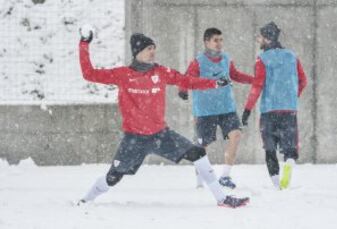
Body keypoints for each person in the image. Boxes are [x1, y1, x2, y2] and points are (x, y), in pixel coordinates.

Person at [77, 27, 249, 208]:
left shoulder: (161, 72)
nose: (153, 52)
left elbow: (187, 81)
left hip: (161, 135)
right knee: (113, 177)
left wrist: (214, 83)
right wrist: (84, 43)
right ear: (137, 52)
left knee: (198, 153)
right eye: (148, 49)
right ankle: (85, 200)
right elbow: (89, 74)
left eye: (153, 48)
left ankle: (222, 199)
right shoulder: (123, 75)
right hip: (134, 139)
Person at [178, 28, 253, 189]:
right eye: (215, 40)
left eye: (221, 40)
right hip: (205, 110)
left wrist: (253, 80)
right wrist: (183, 90)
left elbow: (235, 75)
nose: (219, 43)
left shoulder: (226, 58)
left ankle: (225, 176)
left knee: (236, 134)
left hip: (227, 107)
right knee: (202, 145)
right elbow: (186, 78)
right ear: (206, 42)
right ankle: (200, 180)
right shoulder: (198, 61)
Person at [241, 22, 307, 190]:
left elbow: (257, 86)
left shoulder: (262, 59)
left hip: (269, 111)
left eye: (261, 37)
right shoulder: (292, 56)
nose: (258, 40)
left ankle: (277, 184)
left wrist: (248, 109)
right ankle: (289, 164)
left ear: (268, 39)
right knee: (290, 147)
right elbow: (303, 81)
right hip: (289, 110)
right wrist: (291, 96)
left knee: (269, 149)